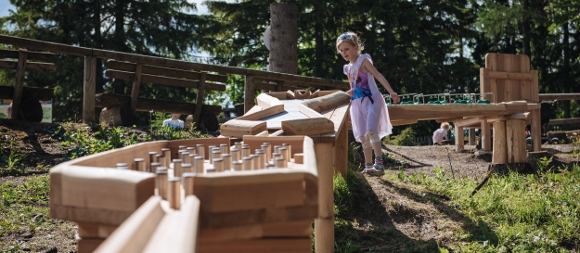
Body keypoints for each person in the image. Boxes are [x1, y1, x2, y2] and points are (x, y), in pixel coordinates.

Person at [336, 32, 400, 176]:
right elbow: (353, 86)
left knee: (372, 130)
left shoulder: (363, 61)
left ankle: (379, 165)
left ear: (356, 47)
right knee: (363, 135)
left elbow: (377, 75)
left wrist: (391, 91)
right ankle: (368, 165)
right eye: (341, 50)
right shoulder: (348, 68)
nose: (343, 52)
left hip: (371, 100)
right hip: (357, 104)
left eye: (346, 49)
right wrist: (348, 93)